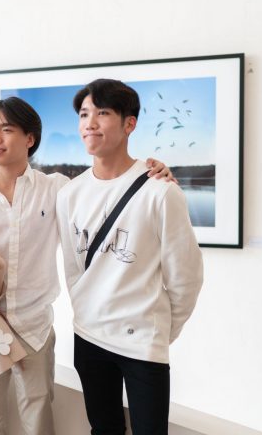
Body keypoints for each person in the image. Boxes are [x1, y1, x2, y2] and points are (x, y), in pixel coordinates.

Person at [0, 96, 175, 435]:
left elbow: (105, 192)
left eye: (6, 129)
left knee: (38, 419)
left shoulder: (57, 189)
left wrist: (151, 175)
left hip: (35, 325)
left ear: (30, 138)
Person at [56, 79, 204, 435]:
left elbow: (185, 276)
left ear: (129, 124)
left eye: (103, 113)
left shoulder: (160, 192)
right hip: (89, 336)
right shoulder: (70, 194)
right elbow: (74, 269)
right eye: (84, 114)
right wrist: (86, 312)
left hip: (142, 342)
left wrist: (161, 330)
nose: (90, 123)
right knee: (103, 429)